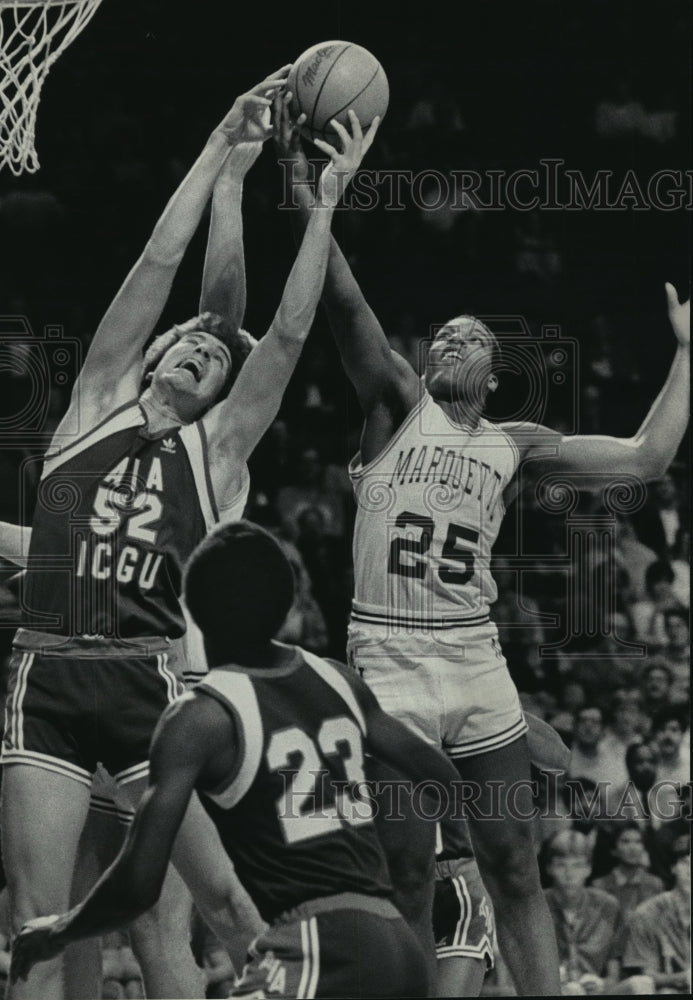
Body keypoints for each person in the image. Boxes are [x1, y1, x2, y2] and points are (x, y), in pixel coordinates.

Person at [273, 91, 690, 996]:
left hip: (473, 660)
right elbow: (340, 294)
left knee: (512, 866)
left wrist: (687, 354)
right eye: (444, 335)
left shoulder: (515, 444)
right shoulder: (393, 402)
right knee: (406, 874)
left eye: (473, 336)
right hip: (387, 660)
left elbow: (645, 457)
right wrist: (307, 184)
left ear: (494, 375)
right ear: (428, 362)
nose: (455, 337)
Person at [1, 73, 379, 1000]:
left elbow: (287, 332)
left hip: (148, 683)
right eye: (192, 343)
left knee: (226, 905)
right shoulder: (93, 405)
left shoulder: (215, 455)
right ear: (154, 356)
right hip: (47, 674)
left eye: (217, 361)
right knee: (37, 924)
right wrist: (219, 149)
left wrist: (324, 205)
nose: (205, 349)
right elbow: (155, 262)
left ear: (220, 400)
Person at [9, 519, 472, 998]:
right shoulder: (339, 680)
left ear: (191, 611)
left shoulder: (200, 716)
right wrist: (438, 862)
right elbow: (440, 775)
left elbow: (138, 885)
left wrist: (59, 931)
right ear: (285, 603)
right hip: (393, 938)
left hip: (317, 947)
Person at [543, 829, 624, 991]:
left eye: (577, 866)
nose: (569, 874)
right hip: (549, 990)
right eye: (561, 865)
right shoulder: (535, 908)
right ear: (549, 868)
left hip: (597, 990)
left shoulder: (608, 906)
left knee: (640, 984)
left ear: (588, 869)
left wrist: (602, 983)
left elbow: (614, 975)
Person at [620, 834, 691, 994]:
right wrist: (684, 978)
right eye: (685, 863)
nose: (690, 872)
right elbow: (646, 976)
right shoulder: (647, 914)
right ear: (673, 868)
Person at [591, 822, 664, 917]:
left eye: (638, 842)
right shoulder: (600, 886)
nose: (633, 848)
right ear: (614, 850)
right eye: (625, 842)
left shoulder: (655, 884)